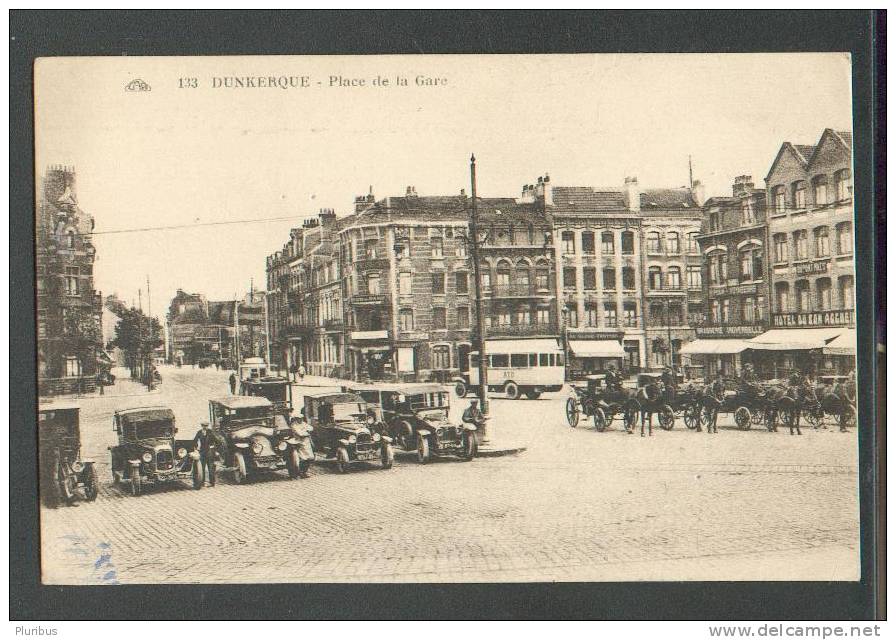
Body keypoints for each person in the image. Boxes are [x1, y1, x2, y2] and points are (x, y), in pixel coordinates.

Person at [192, 421, 217, 487]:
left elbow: (216, 441)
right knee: (201, 467)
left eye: (206, 426)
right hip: (202, 451)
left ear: (207, 426)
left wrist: (214, 449)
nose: (205, 427)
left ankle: (212, 482)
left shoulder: (210, 432)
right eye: (203, 426)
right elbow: (195, 440)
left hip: (209, 451)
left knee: (211, 467)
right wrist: (196, 448)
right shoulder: (199, 432)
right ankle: (202, 482)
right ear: (202, 426)